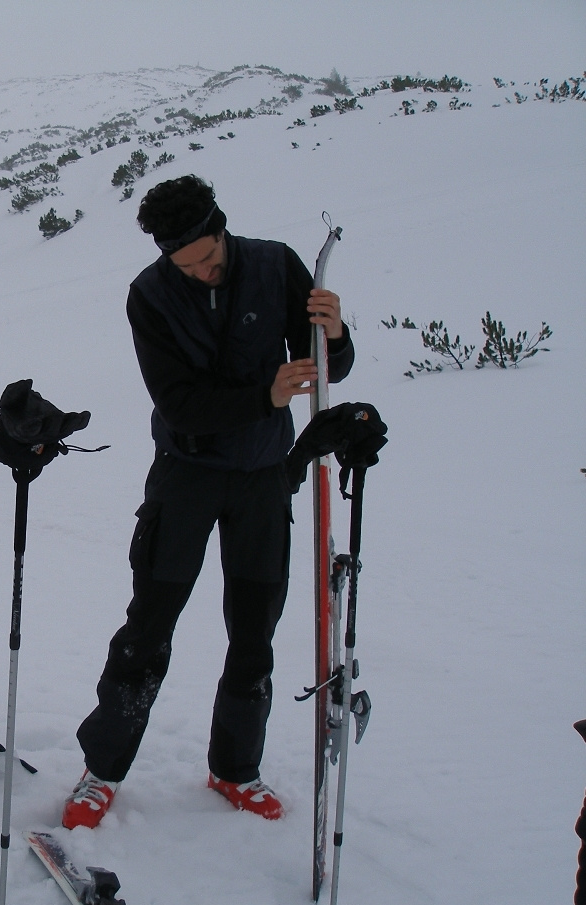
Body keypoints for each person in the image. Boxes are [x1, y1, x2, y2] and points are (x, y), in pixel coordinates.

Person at [62, 175, 354, 829]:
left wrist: (334, 334)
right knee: (148, 629)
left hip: (262, 476)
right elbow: (177, 403)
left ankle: (235, 768)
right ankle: (101, 771)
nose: (200, 271)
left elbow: (331, 366)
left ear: (221, 228)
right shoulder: (150, 296)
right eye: (185, 264)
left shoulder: (275, 264)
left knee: (255, 630)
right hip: (185, 475)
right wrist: (264, 398)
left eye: (208, 257)